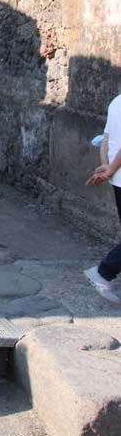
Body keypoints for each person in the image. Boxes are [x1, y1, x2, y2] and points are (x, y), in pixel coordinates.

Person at [84, 91, 121, 303]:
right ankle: (103, 272)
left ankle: (105, 272)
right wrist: (110, 169)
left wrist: (106, 166)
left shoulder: (116, 101)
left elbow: (106, 138)